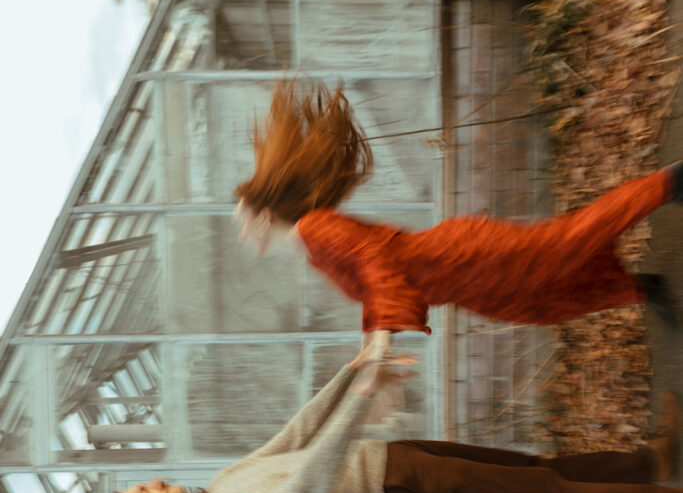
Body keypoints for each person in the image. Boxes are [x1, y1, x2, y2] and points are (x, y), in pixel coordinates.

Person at [104, 346, 683, 493]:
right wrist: (360, 403)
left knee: (536, 473)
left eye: (145, 485)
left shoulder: (220, 488)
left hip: (393, 461)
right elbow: (306, 489)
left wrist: (350, 373)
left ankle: (650, 466)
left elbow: (294, 437)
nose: (155, 482)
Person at [234, 80, 682, 357]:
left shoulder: (315, 229)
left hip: (466, 254)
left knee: (569, 242)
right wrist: (372, 342)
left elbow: (377, 263)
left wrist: (382, 338)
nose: (240, 232)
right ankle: (641, 289)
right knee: (542, 306)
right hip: (465, 284)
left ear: (262, 216)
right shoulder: (311, 248)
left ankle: (668, 183)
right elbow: (379, 284)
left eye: (241, 220)